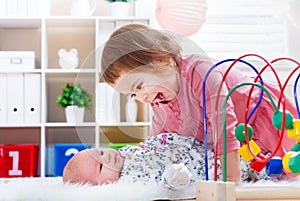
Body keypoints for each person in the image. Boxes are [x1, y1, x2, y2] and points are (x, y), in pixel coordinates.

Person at [100, 24, 299, 184]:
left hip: (260, 122)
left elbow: (224, 126)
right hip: (238, 147)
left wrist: (231, 181)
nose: (141, 97)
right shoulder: (159, 104)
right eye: (133, 94)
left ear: (159, 59)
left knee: (283, 172)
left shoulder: (199, 71)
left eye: (140, 85)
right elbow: (158, 145)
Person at [63, 133, 272, 187]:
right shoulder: (129, 180)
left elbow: (147, 148)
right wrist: (171, 179)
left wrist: (164, 139)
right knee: (233, 166)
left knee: (228, 150)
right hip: (196, 169)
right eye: (101, 166)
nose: (106, 156)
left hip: (191, 150)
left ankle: (261, 157)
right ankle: (263, 168)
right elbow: (155, 184)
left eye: (100, 152)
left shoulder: (123, 154)